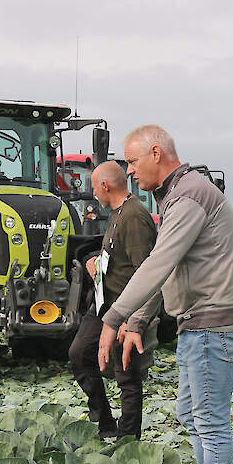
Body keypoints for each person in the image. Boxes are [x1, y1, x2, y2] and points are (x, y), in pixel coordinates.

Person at [97, 124, 233, 464]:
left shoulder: (188, 197)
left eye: (132, 161)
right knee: (189, 414)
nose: (129, 171)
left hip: (211, 323)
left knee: (210, 422)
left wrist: (114, 318)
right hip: (197, 323)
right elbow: (169, 268)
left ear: (156, 154)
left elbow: (158, 263)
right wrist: (136, 320)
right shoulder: (178, 196)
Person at [69, 161, 158, 440]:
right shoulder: (118, 214)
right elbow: (118, 256)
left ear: (105, 186)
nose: (94, 193)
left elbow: (146, 272)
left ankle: (128, 439)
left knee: (127, 376)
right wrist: (95, 260)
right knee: (79, 353)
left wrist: (133, 321)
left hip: (125, 307)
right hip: (104, 304)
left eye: (94, 187)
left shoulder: (134, 217)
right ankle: (104, 420)